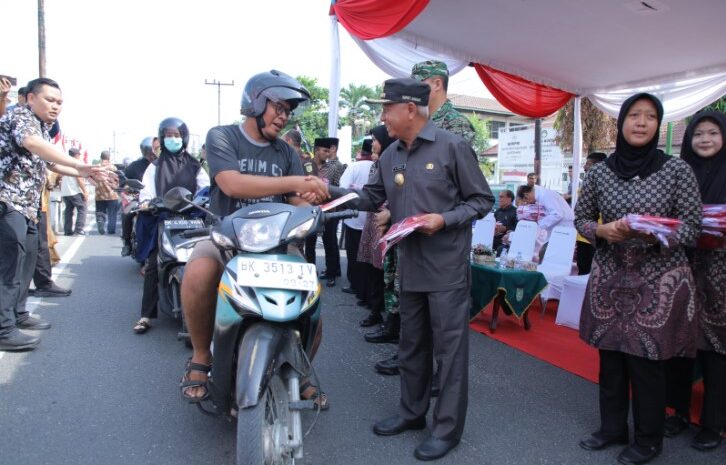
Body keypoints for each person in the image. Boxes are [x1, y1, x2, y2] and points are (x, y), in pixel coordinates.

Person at [332, 78, 494, 460]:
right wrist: (327, 192)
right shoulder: (390, 156)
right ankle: (411, 412)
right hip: (409, 263)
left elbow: (481, 200)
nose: (382, 116)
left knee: (449, 352)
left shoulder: (452, 147)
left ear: (410, 108)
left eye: (387, 108)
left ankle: (447, 429)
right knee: (411, 344)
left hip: (447, 268)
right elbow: (371, 197)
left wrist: (445, 218)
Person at [178, 70, 328, 403]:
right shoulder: (222, 137)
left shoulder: (287, 154)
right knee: (198, 271)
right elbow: (231, 183)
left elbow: (296, 200)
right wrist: (295, 184)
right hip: (226, 238)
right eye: (278, 106)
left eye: (288, 110)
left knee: (311, 293)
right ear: (256, 102)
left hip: (277, 244)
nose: (283, 116)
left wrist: (314, 199)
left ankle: (300, 366)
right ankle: (202, 356)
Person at [575, 93, 702, 465]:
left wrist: (657, 233)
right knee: (611, 358)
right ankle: (612, 428)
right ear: (622, 122)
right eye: (634, 115)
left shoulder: (677, 171)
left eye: (649, 117)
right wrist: (602, 231)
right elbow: (581, 218)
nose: (641, 122)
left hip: (657, 278)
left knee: (647, 360)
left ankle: (648, 439)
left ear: (658, 124)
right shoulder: (600, 172)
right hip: (610, 277)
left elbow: (693, 228)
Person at [0, 77, 111, 351]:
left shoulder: (41, 127)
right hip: (7, 201)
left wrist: (86, 171)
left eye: (59, 102)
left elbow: (51, 161)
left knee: (25, 265)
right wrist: (79, 164)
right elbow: (32, 144)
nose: (55, 106)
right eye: (49, 100)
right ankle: (3, 329)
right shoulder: (20, 118)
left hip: (26, 206)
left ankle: (18, 314)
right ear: (29, 98)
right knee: (10, 268)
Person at [664, 110, 726, 451]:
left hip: (720, 274)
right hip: (682, 267)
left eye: (713, 133)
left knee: (716, 348)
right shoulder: (678, 173)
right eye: (698, 134)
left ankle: (714, 423)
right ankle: (679, 412)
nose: (705, 139)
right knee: (681, 345)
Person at [132, 117, 210, 334]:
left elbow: (206, 189)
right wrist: (147, 202)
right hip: (164, 219)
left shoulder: (196, 166)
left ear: (183, 137)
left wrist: (206, 200)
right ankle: (146, 315)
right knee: (153, 263)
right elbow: (145, 192)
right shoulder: (154, 167)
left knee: (209, 261)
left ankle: (212, 309)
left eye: (176, 135)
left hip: (192, 220)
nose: (173, 139)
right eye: (168, 136)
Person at [338, 138, 374, 323]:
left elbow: (343, 187)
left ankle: (356, 287)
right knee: (369, 259)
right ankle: (368, 292)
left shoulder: (354, 167)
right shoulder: (378, 166)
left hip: (353, 216)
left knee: (354, 255)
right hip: (372, 218)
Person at [410, 60, 475, 147]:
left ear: (437, 84)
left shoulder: (457, 123)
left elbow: (456, 158)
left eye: (418, 84)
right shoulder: (418, 119)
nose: (413, 90)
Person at [315, 137, 345, 287]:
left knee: (330, 242)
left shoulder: (332, 169)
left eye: (329, 151)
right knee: (309, 242)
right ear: (316, 150)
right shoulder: (308, 166)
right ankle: (310, 271)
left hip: (329, 211)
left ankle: (332, 272)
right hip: (310, 210)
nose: (327, 154)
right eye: (324, 151)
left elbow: (339, 188)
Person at [516, 183, 574, 259]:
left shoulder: (545, 195)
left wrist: (539, 224)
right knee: (542, 254)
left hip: (563, 230)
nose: (529, 203)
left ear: (526, 195)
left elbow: (557, 214)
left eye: (526, 201)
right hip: (557, 231)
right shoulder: (542, 195)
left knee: (545, 255)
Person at [575, 152, 607, 275]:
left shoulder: (605, 184)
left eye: (588, 164)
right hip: (582, 235)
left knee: (592, 271)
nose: (584, 167)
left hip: (597, 236)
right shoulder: (586, 182)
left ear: (598, 166)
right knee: (582, 268)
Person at [60, 148, 89, 236]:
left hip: (65, 191)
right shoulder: (75, 164)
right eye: (79, 155)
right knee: (82, 208)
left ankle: (67, 230)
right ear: (76, 155)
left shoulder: (64, 163)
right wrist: (85, 191)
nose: (80, 156)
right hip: (74, 190)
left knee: (68, 210)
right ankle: (79, 229)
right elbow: (79, 178)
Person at [93, 151, 120, 235]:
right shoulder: (113, 167)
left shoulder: (96, 167)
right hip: (112, 194)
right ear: (109, 158)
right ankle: (111, 230)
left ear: (101, 157)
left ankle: (100, 220)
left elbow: (92, 179)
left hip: (99, 194)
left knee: (100, 211)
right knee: (112, 214)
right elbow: (117, 180)